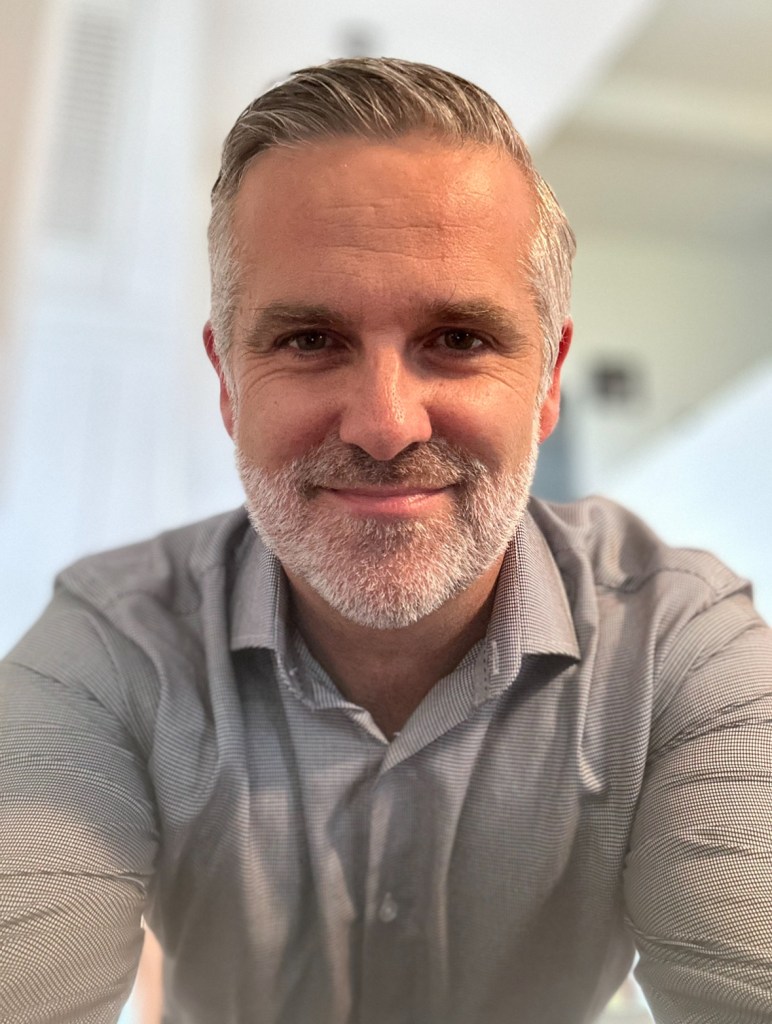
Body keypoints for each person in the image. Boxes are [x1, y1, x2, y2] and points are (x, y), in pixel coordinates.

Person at [1, 56, 770, 1024]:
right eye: (309, 340)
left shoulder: (680, 644)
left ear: (547, 380)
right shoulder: (109, 644)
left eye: (458, 339)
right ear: (228, 381)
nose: (384, 425)